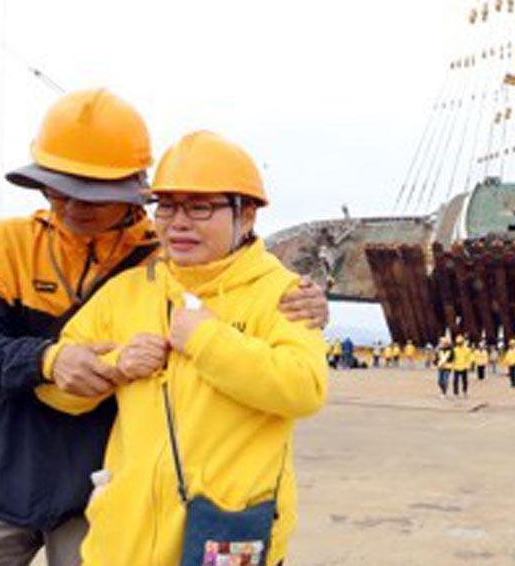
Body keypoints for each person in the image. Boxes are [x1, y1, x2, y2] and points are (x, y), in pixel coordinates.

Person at [0, 91, 326, 566]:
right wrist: (53, 361)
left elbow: (292, 368)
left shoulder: (159, 258)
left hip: (100, 499)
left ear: (131, 189)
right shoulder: (9, 246)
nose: (73, 204)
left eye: (92, 192)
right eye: (58, 188)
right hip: (7, 475)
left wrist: (296, 305)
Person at [34, 130, 327, 566]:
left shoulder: (282, 293)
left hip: (225, 534)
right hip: (123, 540)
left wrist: (207, 339)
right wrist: (117, 366)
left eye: (200, 206)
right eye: (167, 206)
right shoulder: (127, 292)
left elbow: (303, 388)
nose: (178, 222)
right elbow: (54, 391)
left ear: (245, 216)